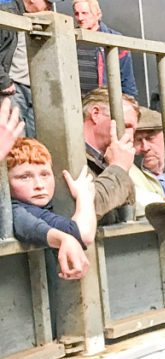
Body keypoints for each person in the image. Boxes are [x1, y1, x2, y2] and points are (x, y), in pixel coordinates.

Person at [8, 137, 95, 280]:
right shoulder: (15, 208)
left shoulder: (39, 207)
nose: (39, 185)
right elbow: (83, 233)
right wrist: (84, 196)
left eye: (45, 175)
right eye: (25, 177)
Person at [81, 86, 138, 223]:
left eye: (133, 130)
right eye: (126, 126)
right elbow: (86, 210)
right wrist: (118, 168)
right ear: (96, 114)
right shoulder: (71, 157)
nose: (130, 137)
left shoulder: (111, 159)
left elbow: (127, 218)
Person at [0, 0, 53, 138]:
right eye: (47, 2)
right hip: (13, 89)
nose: (50, 6)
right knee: (16, 140)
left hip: (36, 89)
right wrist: (4, 81)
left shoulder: (41, 18)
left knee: (36, 139)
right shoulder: (6, 13)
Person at [73, 1, 138, 99]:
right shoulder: (70, 38)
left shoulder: (115, 40)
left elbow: (127, 82)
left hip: (104, 103)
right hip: (76, 102)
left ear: (98, 15)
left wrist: (130, 105)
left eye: (84, 13)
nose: (80, 18)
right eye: (76, 14)